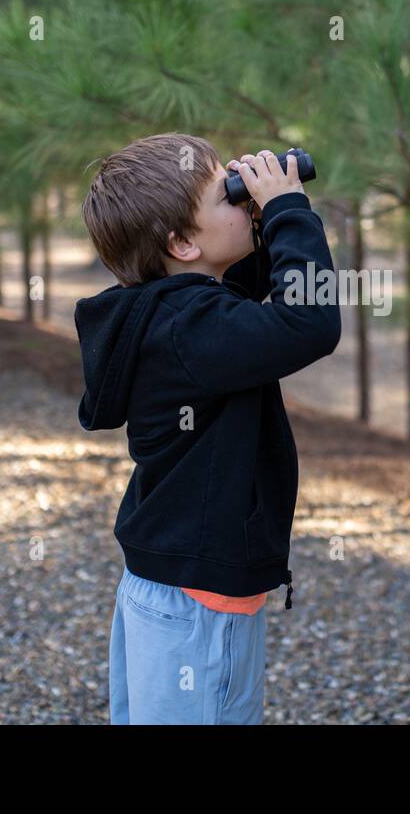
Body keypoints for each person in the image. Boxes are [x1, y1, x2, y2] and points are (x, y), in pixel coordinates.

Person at [74, 133, 341, 724]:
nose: (242, 197)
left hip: (164, 581)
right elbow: (310, 323)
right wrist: (287, 209)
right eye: (228, 195)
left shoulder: (165, 311)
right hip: (198, 602)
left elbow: (247, 286)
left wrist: (258, 210)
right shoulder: (193, 328)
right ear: (182, 242)